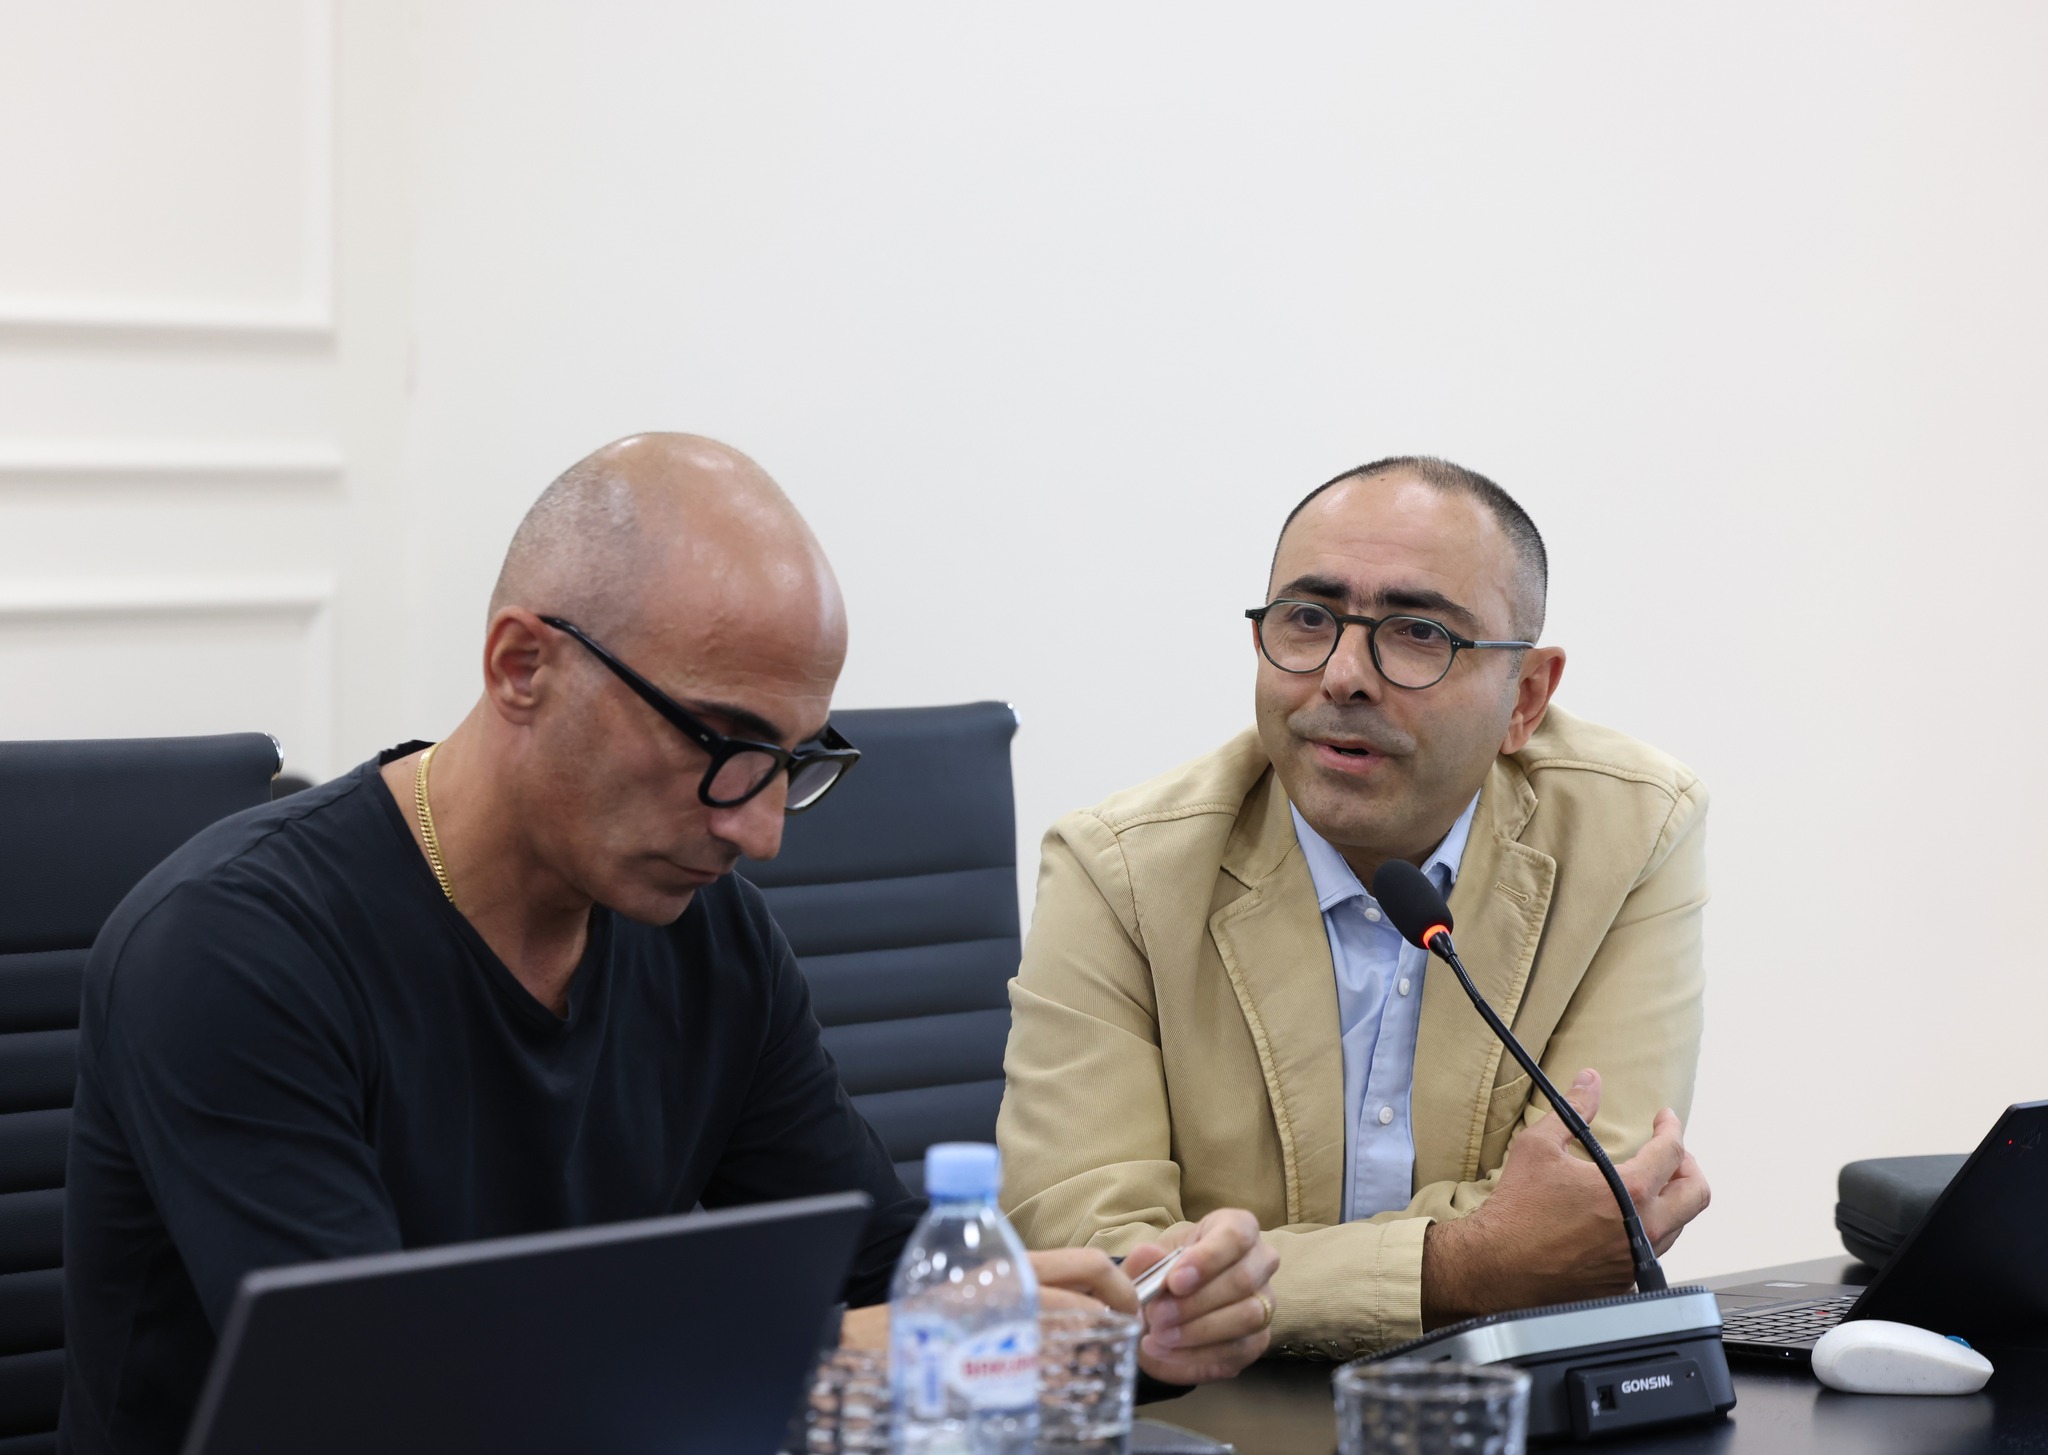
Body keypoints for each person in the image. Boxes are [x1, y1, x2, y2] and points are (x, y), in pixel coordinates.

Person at [59, 435, 1276, 1454]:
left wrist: (1119, 1323)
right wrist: (823, 1360)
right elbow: (369, 1402)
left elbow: (867, 1268)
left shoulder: (700, 927)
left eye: (794, 762)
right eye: (720, 745)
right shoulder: (231, 951)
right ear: (522, 666)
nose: (759, 832)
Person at [996, 456, 1713, 1361]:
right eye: (1307, 619)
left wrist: (1272, 1274)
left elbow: (1587, 1212)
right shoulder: (1120, 871)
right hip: (1217, 1411)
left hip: (1498, 1405)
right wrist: (1468, 1263)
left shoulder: (1632, 829)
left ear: (1525, 697)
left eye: (1416, 633)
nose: (1343, 675)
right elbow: (1097, 1268)